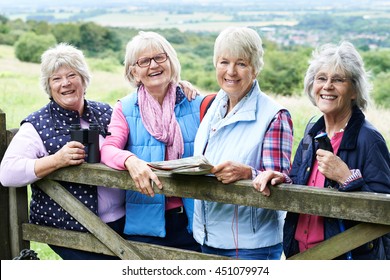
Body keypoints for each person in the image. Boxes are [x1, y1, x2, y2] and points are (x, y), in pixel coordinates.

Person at [253, 41, 390, 259]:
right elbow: (299, 181)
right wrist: (280, 179)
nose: (327, 86)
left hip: (343, 258)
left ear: (354, 90)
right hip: (300, 254)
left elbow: (385, 212)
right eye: (322, 78)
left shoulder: (369, 139)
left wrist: (347, 178)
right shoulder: (310, 134)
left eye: (338, 79)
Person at [0, 43, 126, 260]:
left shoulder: (105, 112)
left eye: (71, 75)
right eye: (56, 79)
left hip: (124, 222)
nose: (65, 83)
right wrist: (56, 160)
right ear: (48, 86)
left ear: (84, 79)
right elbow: (7, 172)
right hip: (70, 229)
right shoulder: (37, 124)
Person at [192, 26, 294, 260]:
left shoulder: (274, 115)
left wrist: (249, 173)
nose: (231, 71)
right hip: (207, 238)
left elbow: (280, 179)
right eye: (223, 62)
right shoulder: (211, 106)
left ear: (255, 68)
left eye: (241, 63)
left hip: (252, 246)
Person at [100, 31, 202, 252]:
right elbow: (108, 149)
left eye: (159, 57)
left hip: (195, 221)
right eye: (144, 61)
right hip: (147, 222)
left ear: (171, 61)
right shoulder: (125, 108)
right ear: (133, 71)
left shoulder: (195, 103)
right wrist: (130, 161)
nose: (153, 65)